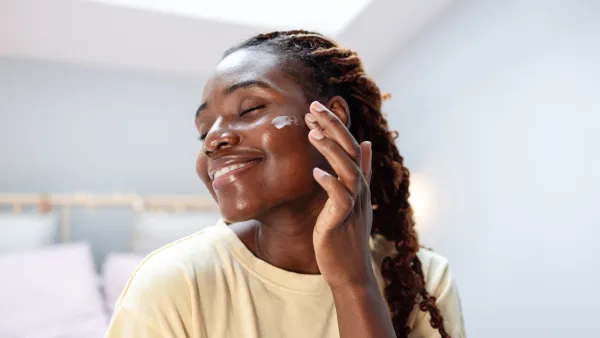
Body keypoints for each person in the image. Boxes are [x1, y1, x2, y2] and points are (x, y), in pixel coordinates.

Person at [105, 30, 466, 338]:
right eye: (203, 131)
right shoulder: (172, 283)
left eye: (249, 110)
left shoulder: (421, 279)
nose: (212, 141)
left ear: (331, 119)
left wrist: (354, 282)